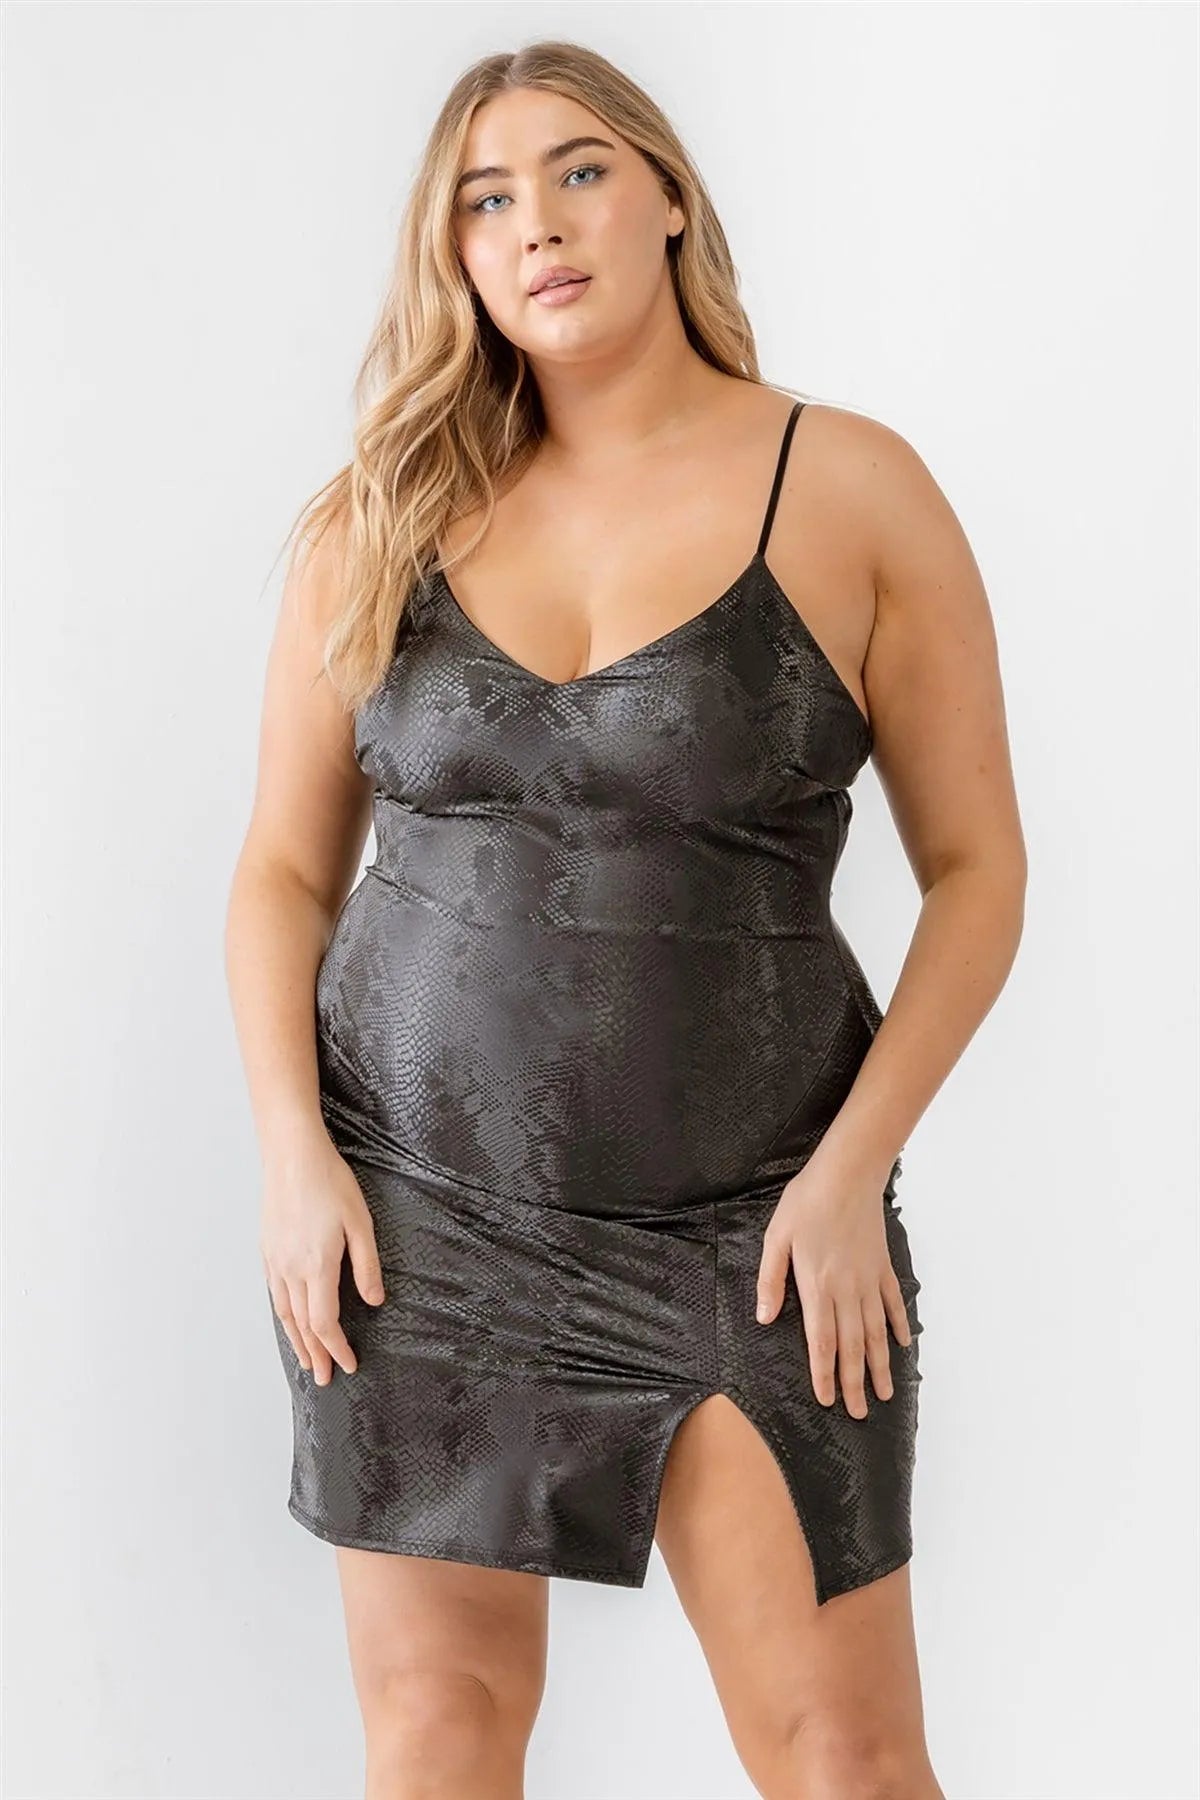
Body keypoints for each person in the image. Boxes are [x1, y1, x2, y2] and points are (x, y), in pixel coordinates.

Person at [225, 39, 1025, 1800]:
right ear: (453, 255)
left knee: (845, 1753)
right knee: (438, 1737)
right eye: (486, 200)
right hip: (414, 1220)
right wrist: (293, 1158)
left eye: (580, 171)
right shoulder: (379, 518)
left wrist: (849, 1177)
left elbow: (980, 875)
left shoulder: (852, 488)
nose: (539, 224)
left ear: (668, 197)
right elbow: (281, 871)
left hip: (759, 1229)